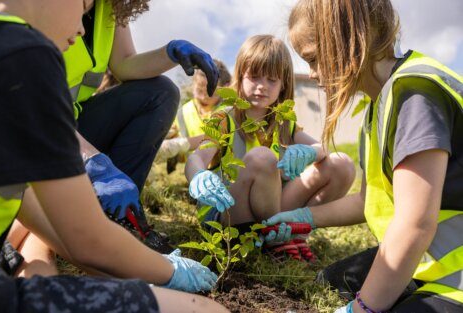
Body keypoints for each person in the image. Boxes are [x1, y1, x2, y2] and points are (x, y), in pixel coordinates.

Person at [0, 1, 228, 312]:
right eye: (81, 7)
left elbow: (75, 242)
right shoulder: (23, 55)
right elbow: (87, 241)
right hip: (59, 137)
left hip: (52, 149)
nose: (82, 27)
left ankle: (111, 224)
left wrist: (168, 53)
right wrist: (171, 272)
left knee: (44, 240)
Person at [265, 0, 463, 311]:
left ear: (351, 37)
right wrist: (303, 219)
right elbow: (365, 201)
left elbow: (415, 224)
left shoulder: (415, 95)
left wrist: (362, 308)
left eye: (314, 58)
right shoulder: (379, 108)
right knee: (331, 281)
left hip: (453, 276)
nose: (314, 75)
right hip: (428, 259)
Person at [64, 0, 220, 249]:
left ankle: (121, 218)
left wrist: (170, 53)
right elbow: (30, 103)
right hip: (32, 125)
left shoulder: (109, 6)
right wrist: (95, 163)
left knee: (162, 92)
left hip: (73, 124)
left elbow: (125, 63)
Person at [185, 35, 356, 260]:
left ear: (284, 83)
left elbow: (322, 148)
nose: (262, 86)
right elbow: (195, 158)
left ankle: (292, 234)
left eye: (272, 80)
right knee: (262, 157)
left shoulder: (284, 122)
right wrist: (198, 176)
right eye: (254, 77)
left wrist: (311, 152)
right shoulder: (225, 118)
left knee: (341, 164)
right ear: (240, 77)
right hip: (229, 215)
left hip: (269, 213)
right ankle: (278, 240)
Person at [156, 59, 232, 168]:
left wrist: (182, 144)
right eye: (199, 90)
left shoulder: (230, 110)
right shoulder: (182, 113)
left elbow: (218, 137)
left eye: (209, 90)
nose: (202, 97)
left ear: (225, 87)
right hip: (196, 173)